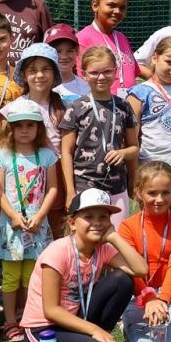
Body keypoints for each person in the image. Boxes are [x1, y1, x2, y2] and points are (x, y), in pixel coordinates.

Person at [20, 187, 148, 342]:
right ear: (72, 223)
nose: (97, 223)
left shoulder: (102, 248)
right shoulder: (58, 251)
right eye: (89, 216)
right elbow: (51, 311)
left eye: (103, 217)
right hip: (43, 331)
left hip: (76, 320)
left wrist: (114, 237)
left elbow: (140, 270)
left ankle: (100, 340)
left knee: (122, 280)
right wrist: (93, 329)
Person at [0, 98, 60, 341]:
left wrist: (40, 215)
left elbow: (52, 189)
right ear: (10, 128)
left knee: (33, 275)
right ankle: (10, 321)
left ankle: (31, 319)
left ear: (38, 128)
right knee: (10, 277)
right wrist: (13, 215)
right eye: (19, 126)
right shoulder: (3, 155)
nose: (24, 130)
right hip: (11, 227)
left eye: (30, 125)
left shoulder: (47, 155)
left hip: (38, 226)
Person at [118, 161, 171, 342]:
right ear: (138, 192)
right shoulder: (127, 226)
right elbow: (131, 270)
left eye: (165, 192)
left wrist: (162, 300)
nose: (159, 199)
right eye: (152, 193)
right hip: (139, 296)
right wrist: (149, 299)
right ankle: (126, 324)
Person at [58, 45, 140, 221]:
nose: (101, 77)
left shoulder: (124, 106)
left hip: (117, 186)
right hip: (84, 186)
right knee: (88, 239)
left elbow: (134, 148)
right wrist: (70, 191)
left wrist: (123, 153)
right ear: (84, 74)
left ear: (115, 72)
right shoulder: (76, 108)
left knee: (116, 241)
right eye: (94, 73)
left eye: (107, 72)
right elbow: (66, 152)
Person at [75, 0, 136, 94]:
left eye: (122, 7)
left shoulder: (121, 38)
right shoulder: (82, 39)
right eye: (111, 5)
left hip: (127, 107)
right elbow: (82, 81)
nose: (117, 11)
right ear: (95, 6)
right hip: (101, 107)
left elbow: (135, 71)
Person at [46, 24, 90, 101]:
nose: (64, 57)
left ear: (77, 52)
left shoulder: (86, 88)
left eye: (70, 51)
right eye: (57, 51)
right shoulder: (41, 86)